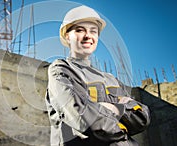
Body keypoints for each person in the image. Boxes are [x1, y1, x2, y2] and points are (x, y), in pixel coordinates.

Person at [45, 5, 151, 146]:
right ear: (67, 36)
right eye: (79, 30)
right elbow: (82, 117)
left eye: (93, 31)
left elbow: (142, 116)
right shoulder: (61, 70)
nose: (88, 36)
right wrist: (122, 121)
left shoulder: (110, 79)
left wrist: (115, 109)